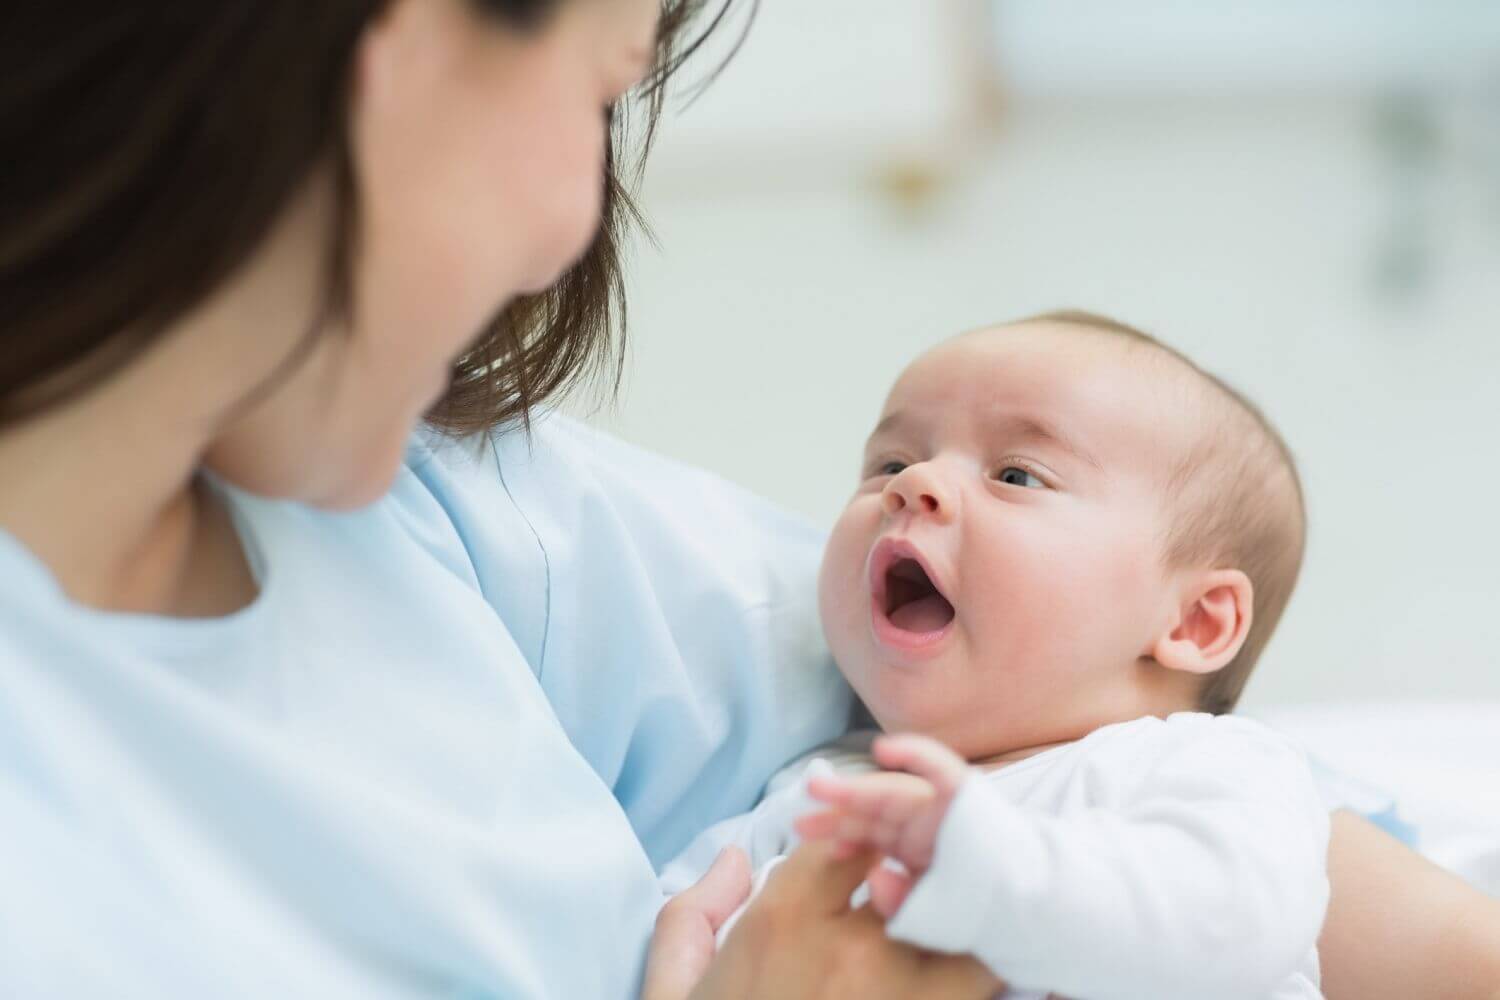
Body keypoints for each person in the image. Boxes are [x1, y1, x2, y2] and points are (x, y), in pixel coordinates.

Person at [0, 3, 1496, 999]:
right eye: (597, 97)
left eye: (1017, 472)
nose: (574, 223)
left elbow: (1230, 826)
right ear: (403, 55)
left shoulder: (426, 499)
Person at [664, 313, 1329, 998]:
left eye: (1017, 474)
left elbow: (1233, 921)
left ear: (1193, 621)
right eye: (889, 463)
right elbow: (664, 932)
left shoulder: (1204, 767)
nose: (912, 482)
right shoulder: (816, 791)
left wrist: (997, 881)